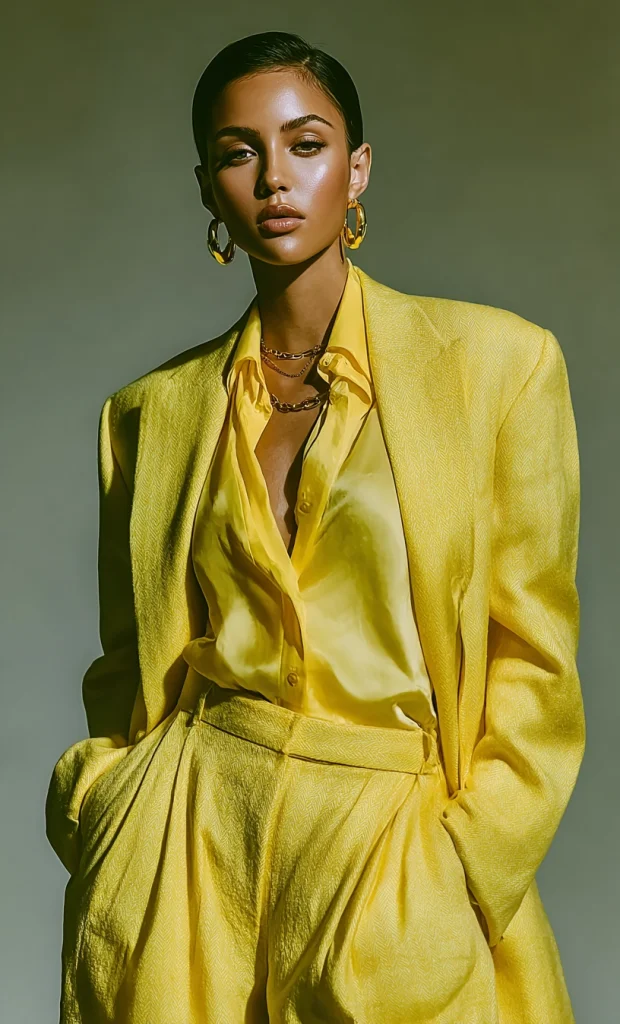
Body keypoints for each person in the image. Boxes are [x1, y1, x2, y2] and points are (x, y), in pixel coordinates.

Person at [46, 29, 585, 1024]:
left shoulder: (498, 369)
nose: (273, 180)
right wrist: (104, 803)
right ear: (208, 187)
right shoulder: (148, 413)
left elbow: (533, 663)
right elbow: (129, 671)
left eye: (305, 144)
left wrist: (463, 864)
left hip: (395, 854)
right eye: (238, 152)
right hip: (186, 856)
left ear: (357, 167)